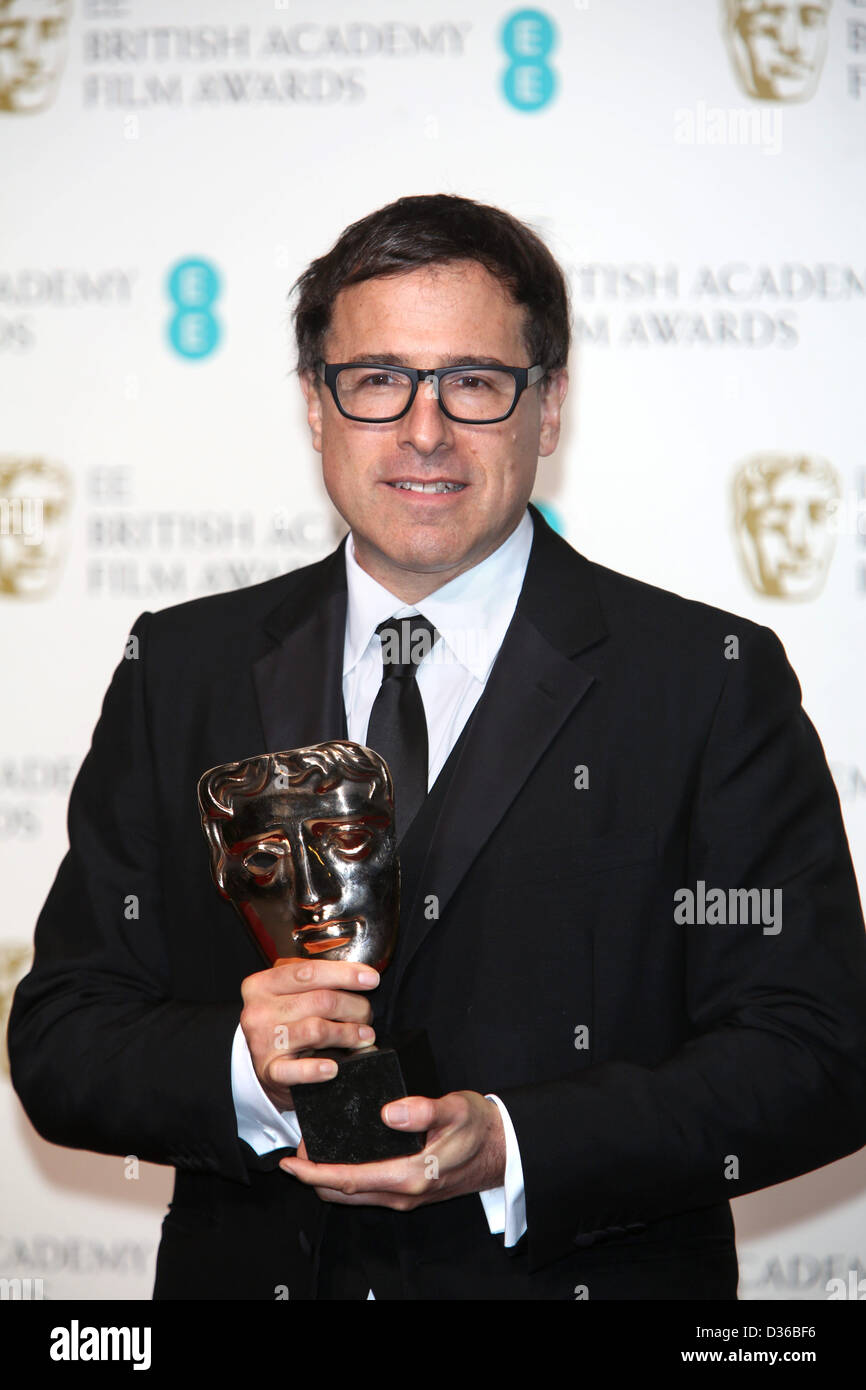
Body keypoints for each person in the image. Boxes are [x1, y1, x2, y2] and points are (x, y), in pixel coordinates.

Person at [9, 193, 866, 1301]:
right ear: (316, 409)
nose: (423, 430)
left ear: (546, 407)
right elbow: (65, 1035)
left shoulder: (703, 679)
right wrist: (242, 1066)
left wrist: (516, 1143)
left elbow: (817, 1051)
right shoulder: (181, 668)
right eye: (375, 380)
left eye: (472, 380)